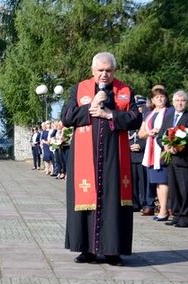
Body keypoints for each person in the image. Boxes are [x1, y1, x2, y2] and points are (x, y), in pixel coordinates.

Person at [62, 52, 142, 266]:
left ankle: (112, 250)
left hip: (114, 158)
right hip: (84, 158)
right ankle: (86, 250)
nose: (104, 74)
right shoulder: (79, 89)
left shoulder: (124, 91)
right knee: (86, 202)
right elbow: (67, 117)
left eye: (108, 70)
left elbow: (136, 119)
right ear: (93, 71)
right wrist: (91, 106)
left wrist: (110, 115)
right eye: (100, 71)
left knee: (113, 202)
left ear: (114, 71)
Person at [158, 90, 188, 228]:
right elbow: (160, 136)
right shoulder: (168, 117)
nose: (180, 103)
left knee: (185, 189)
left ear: (187, 103)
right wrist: (165, 146)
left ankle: (185, 217)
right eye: (177, 100)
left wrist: (178, 146)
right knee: (174, 189)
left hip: (184, 160)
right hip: (170, 160)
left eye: (182, 101)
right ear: (173, 102)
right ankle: (175, 214)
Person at [139, 85, 172, 221]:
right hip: (151, 150)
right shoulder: (148, 114)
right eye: (157, 97)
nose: (160, 99)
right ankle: (163, 209)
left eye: (162, 96)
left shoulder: (169, 112)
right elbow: (141, 133)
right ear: (152, 100)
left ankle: (164, 210)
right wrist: (149, 133)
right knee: (157, 181)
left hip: (162, 149)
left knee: (163, 180)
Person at [129, 96, 149, 212]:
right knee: (132, 181)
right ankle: (134, 203)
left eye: (141, 106)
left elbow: (148, 136)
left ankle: (144, 203)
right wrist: (128, 146)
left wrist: (141, 146)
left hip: (142, 154)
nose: (140, 109)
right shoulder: (131, 119)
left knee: (143, 181)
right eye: (137, 107)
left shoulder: (147, 120)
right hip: (131, 154)